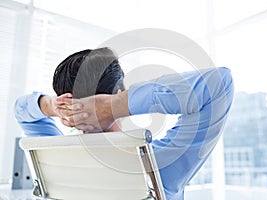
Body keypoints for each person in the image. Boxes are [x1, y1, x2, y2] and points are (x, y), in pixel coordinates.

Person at [15, 47, 234, 200]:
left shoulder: (55, 159)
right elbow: (219, 84)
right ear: (119, 91)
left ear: (65, 100)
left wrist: (51, 106)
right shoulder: (158, 166)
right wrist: (117, 104)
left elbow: (22, 109)